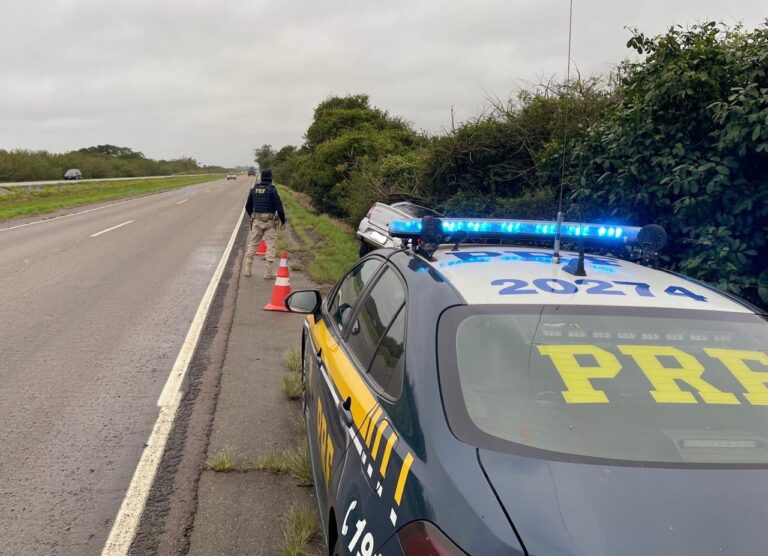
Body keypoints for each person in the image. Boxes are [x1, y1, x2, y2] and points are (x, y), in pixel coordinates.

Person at [243, 168, 286, 278]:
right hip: (270, 222)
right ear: (271, 178)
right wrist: (283, 221)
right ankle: (268, 273)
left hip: (257, 220)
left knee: (252, 244)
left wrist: (252, 216)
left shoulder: (254, 189)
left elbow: (248, 206)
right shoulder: (272, 190)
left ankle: (247, 270)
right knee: (270, 246)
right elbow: (279, 207)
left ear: (262, 177)